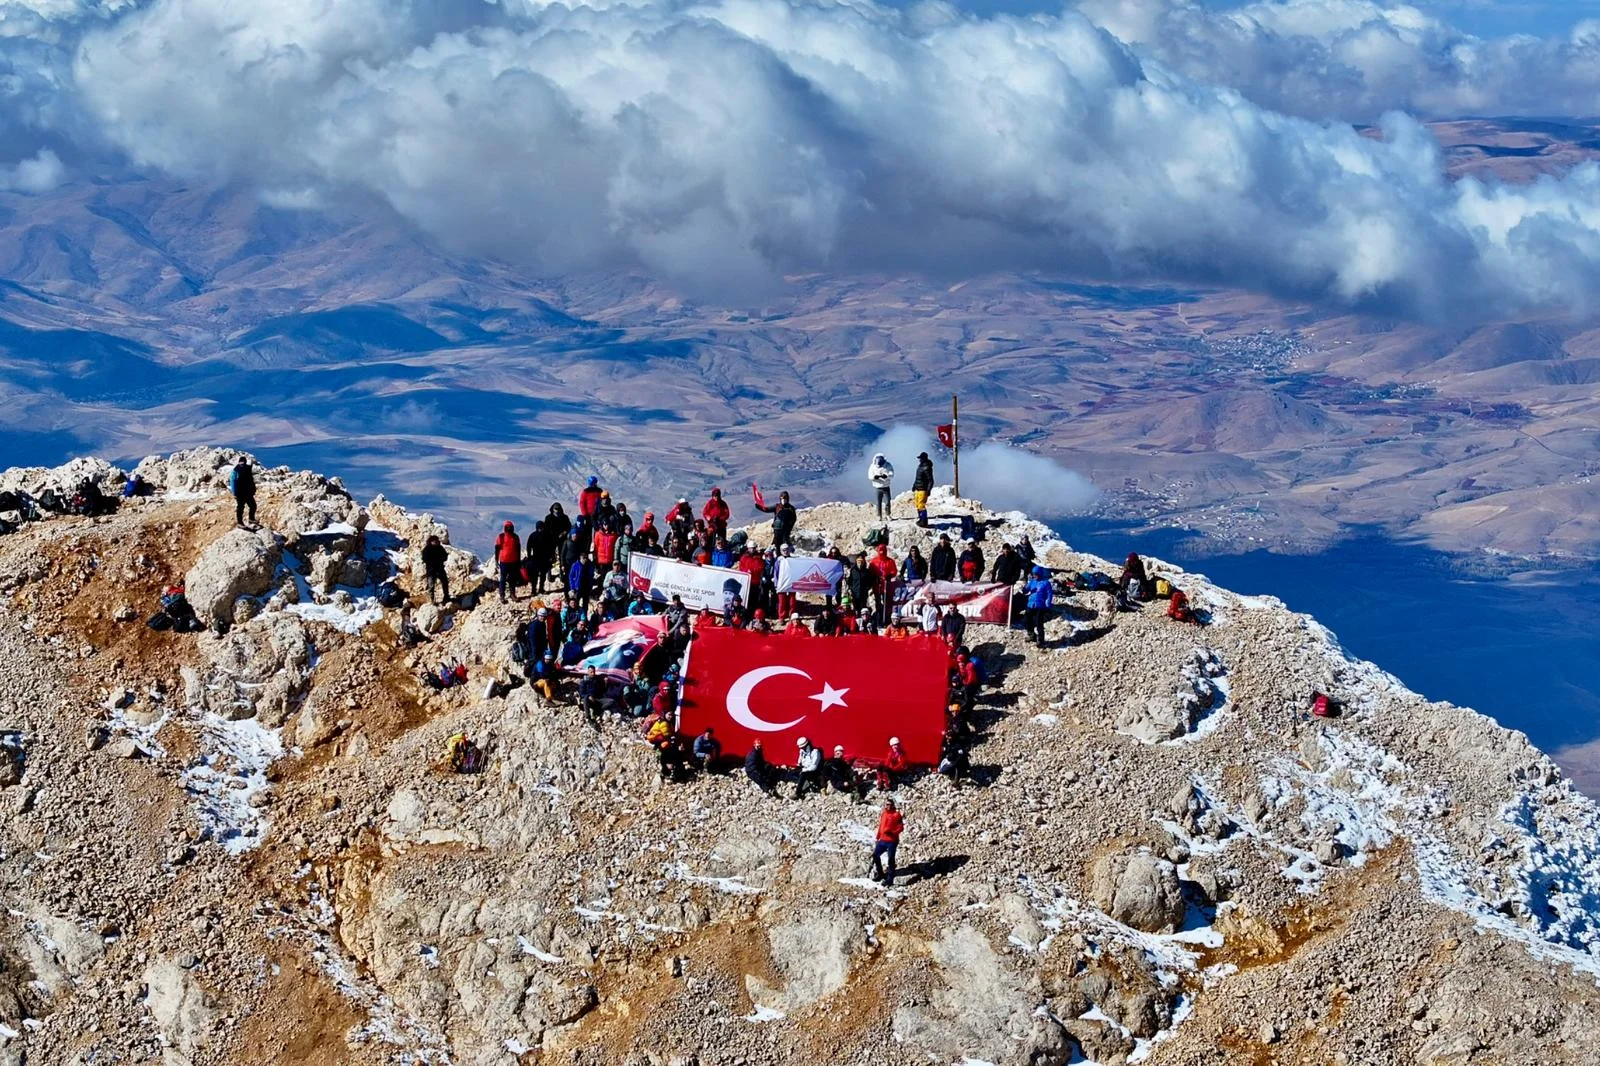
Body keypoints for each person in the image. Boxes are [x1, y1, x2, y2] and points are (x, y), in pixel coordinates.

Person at [870, 798, 904, 886]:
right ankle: (880, 873)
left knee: (891, 859)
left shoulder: (897, 815)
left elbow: (901, 828)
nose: (888, 806)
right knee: (875, 855)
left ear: (893, 805)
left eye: (890, 804)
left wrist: (892, 832)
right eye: (887, 804)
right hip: (882, 840)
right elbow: (881, 826)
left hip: (892, 841)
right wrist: (878, 837)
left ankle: (890, 879)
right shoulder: (884, 813)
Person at [1023, 566, 1054, 646]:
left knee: (1039, 623)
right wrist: (1025, 586)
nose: (1034, 575)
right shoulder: (1032, 582)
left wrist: (1048, 603)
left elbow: (1049, 594)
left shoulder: (1046, 583)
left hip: (1040, 605)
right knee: (1027, 620)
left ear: (1039, 574)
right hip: (1030, 604)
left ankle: (1040, 639)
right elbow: (1025, 591)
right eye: (1033, 574)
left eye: (1035, 574)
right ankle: (1031, 634)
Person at [868, 544, 898, 625]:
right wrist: (875, 577)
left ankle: (887, 619)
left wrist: (890, 575)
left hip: (886, 585)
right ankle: (879, 618)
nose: (882, 554)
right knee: (878, 602)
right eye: (880, 552)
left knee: (887, 603)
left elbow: (894, 571)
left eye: (883, 552)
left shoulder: (890, 561)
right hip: (877, 585)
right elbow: (870, 572)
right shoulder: (874, 561)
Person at [495, 521, 522, 603]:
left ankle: (512, 594)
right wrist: (496, 560)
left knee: (512, 579)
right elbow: (497, 549)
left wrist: (519, 560)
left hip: (513, 561)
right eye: (508, 527)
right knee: (503, 579)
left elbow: (518, 549)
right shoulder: (501, 537)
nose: (509, 529)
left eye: (510, 527)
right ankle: (502, 595)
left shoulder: (515, 537)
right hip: (504, 562)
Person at [421, 534, 450, 605]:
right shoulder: (427, 549)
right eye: (435, 541)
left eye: (437, 541)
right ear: (431, 541)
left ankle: (446, 597)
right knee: (431, 586)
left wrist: (438, 560)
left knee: (445, 582)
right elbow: (425, 559)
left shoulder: (440, 548)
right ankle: (431, 600)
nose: (437, 542)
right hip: (431, 570)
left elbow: (445, 556)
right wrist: (436, 560)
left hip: (440, 569)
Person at [229, 457, 257, 527]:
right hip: (247, 492)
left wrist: (234, 492)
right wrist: (253, 489)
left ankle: (241, 522)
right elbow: (251, 481)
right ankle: (250, 519)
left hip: (240, 493)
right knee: (252, 506)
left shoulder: (236, 469)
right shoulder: (247, 468)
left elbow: (232, 481)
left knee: (241, 508)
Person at [867, 453, 895, 519]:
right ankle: (879, 516)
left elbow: (892, 473)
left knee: (887, 501)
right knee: (878, 502)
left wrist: (886, 476)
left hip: (886, 486)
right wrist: (874, 477)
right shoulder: (872, 466)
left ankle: (888, 515)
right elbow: (870, 476)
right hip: (878, 487)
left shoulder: (888, 465)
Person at [912, 451, 934, 526]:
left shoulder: (927, 467)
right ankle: (921, 519)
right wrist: (914, 485)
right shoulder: (920, 466)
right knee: (917, 505)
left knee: (921, 505)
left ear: (924, 459)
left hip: (923, 489)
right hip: (918, 488)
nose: (919, 459)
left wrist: (928, 490)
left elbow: (931, 480)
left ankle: (924, 521)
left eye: (921, 458)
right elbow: (918, 478)